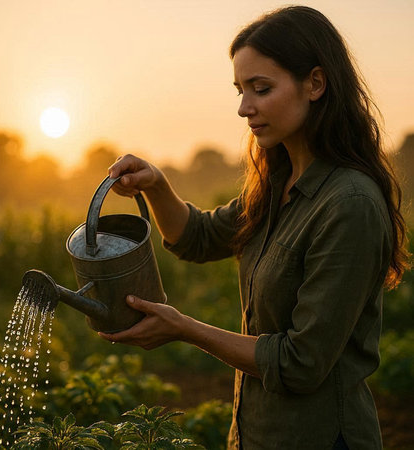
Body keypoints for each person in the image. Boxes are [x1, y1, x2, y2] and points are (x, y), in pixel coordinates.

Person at [99, 6, 410, 450]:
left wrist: (184, 329)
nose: (245, 108)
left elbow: (301, 363)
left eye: (261, 89)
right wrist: (157, 184)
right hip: (256, 434)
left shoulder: (349, 204)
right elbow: (197, 237)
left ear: (316, 84)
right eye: (240, 90)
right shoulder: (277, 183)